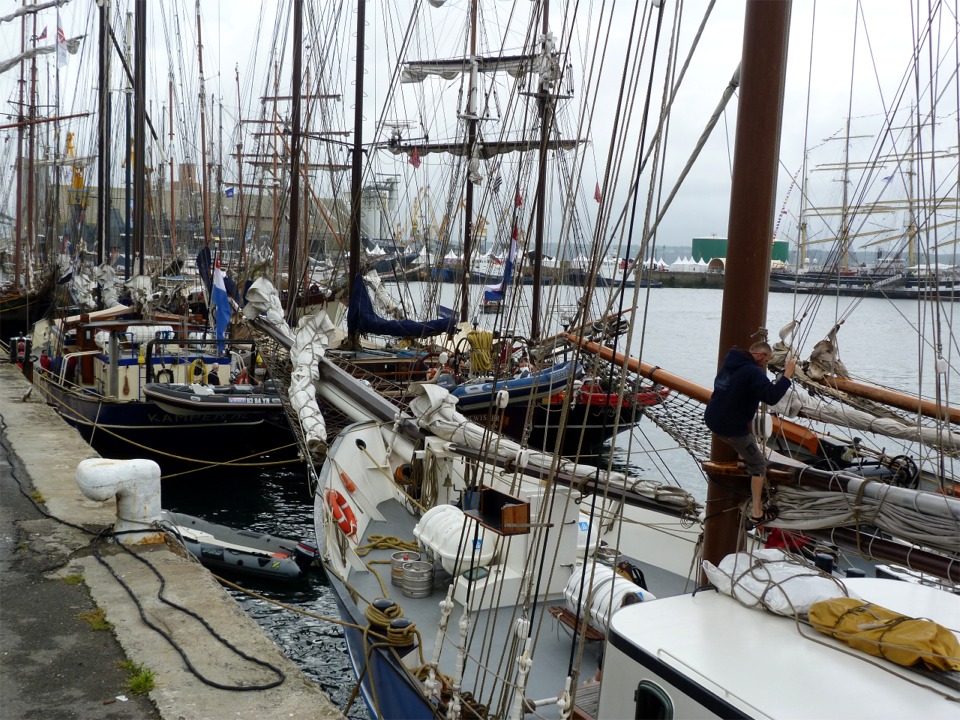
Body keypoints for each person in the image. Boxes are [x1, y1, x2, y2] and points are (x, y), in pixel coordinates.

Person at [704, 341, 796, 527]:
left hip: (712, 417)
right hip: (730, 428)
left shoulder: (730, 362)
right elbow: (771, 396)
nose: (764, 366)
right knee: (758, 465)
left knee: (747, 449)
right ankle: (757, 513)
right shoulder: (753, 372)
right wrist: (787, 375)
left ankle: (742, 458)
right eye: (766, 361)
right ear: (760, 355)